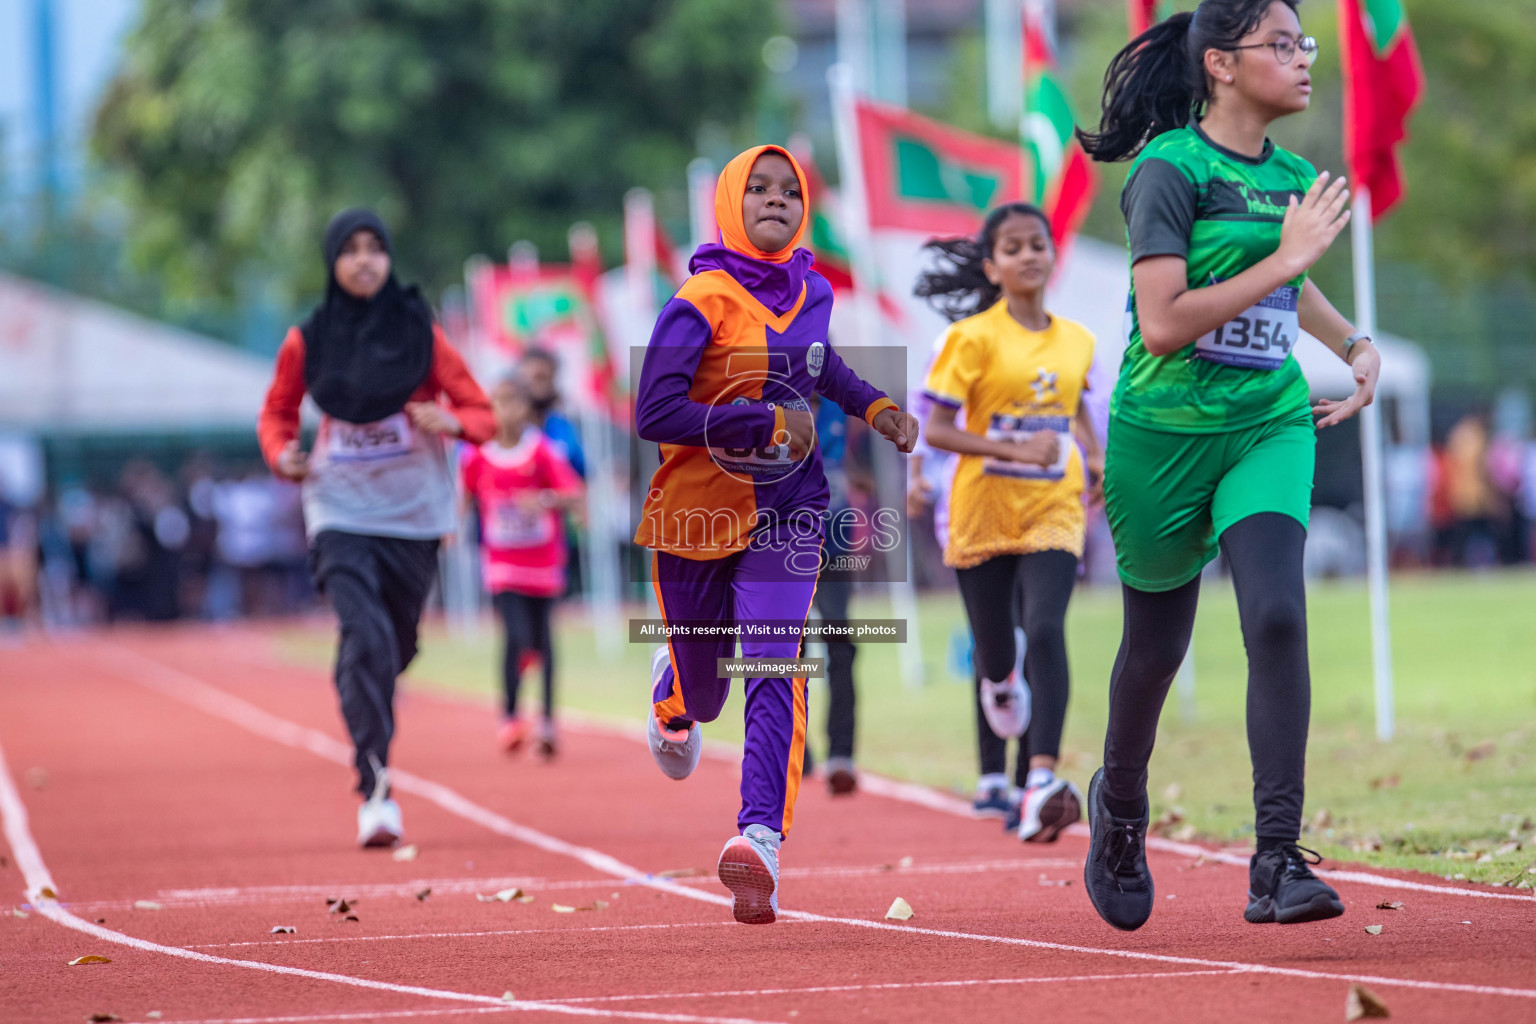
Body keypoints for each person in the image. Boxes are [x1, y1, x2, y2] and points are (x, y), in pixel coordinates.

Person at [1075, 0, 1382, 929]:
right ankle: (1120, 805)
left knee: (1278, 616)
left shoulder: (1289, 174)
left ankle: (1277, 860)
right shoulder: (1169, 170)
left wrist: (1353, 343)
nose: (1303, 59)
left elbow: (1291, 278)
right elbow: (1164, 323)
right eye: (1282, 45)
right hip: (1162, 435)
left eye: (1305, 44)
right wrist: (1284, 256)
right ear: (1220, 63)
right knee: (1156, 651)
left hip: (1267, 421)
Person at [634, 144, 917, 924]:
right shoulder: (700, 300)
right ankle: (673, 693)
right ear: (730, 203)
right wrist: (759, 420)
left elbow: (819, 368)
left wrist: (874, 407)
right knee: (707, 690)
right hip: (696, 517)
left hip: (791, 510)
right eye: (756, 188)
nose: (775, 200)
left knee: (775, 661)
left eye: (789, 190)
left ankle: (759, 840)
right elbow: (653, 413)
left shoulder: (813, 290)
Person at [258, 208, 494, 848]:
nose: (364, 261)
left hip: (414, 514)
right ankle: (375, 790)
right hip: (338, 509)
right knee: (365, 634)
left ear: (389, 259)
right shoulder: (306, 341)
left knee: (395, 647)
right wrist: (283, 456)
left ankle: (362, 683)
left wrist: (454, 423)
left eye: (376, 249)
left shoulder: (422, 334)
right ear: (333, 262)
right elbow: (277, 413)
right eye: (351, 250)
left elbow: (481, 410)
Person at [916, 202, 1101, 845]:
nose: (1029, 256)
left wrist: (1096, 457)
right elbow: (936, 427)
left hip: (1054, 507)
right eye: (1014, 248)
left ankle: (1041, 780)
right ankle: (1002, 685)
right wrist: (1013, 450)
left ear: (1053, 255)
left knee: (1047, 629)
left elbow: (1075, 402)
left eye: (1038, 245)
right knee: (997, 654)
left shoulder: (1077, 340)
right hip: (983, 511)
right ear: (992, 267)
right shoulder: (972, 340)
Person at [462, 374, 584, 757]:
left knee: (545, 640)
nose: (504, 410)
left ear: (526, 408)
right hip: (501, 561)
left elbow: (572, 492)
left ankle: (547, 722)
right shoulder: (479, 453)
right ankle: (510, 717)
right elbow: (465, 492)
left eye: (512, 401)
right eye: (496, 401)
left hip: (544, 560)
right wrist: (450, 527)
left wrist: (544, 500)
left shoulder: (542, 450)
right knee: (515, 636)